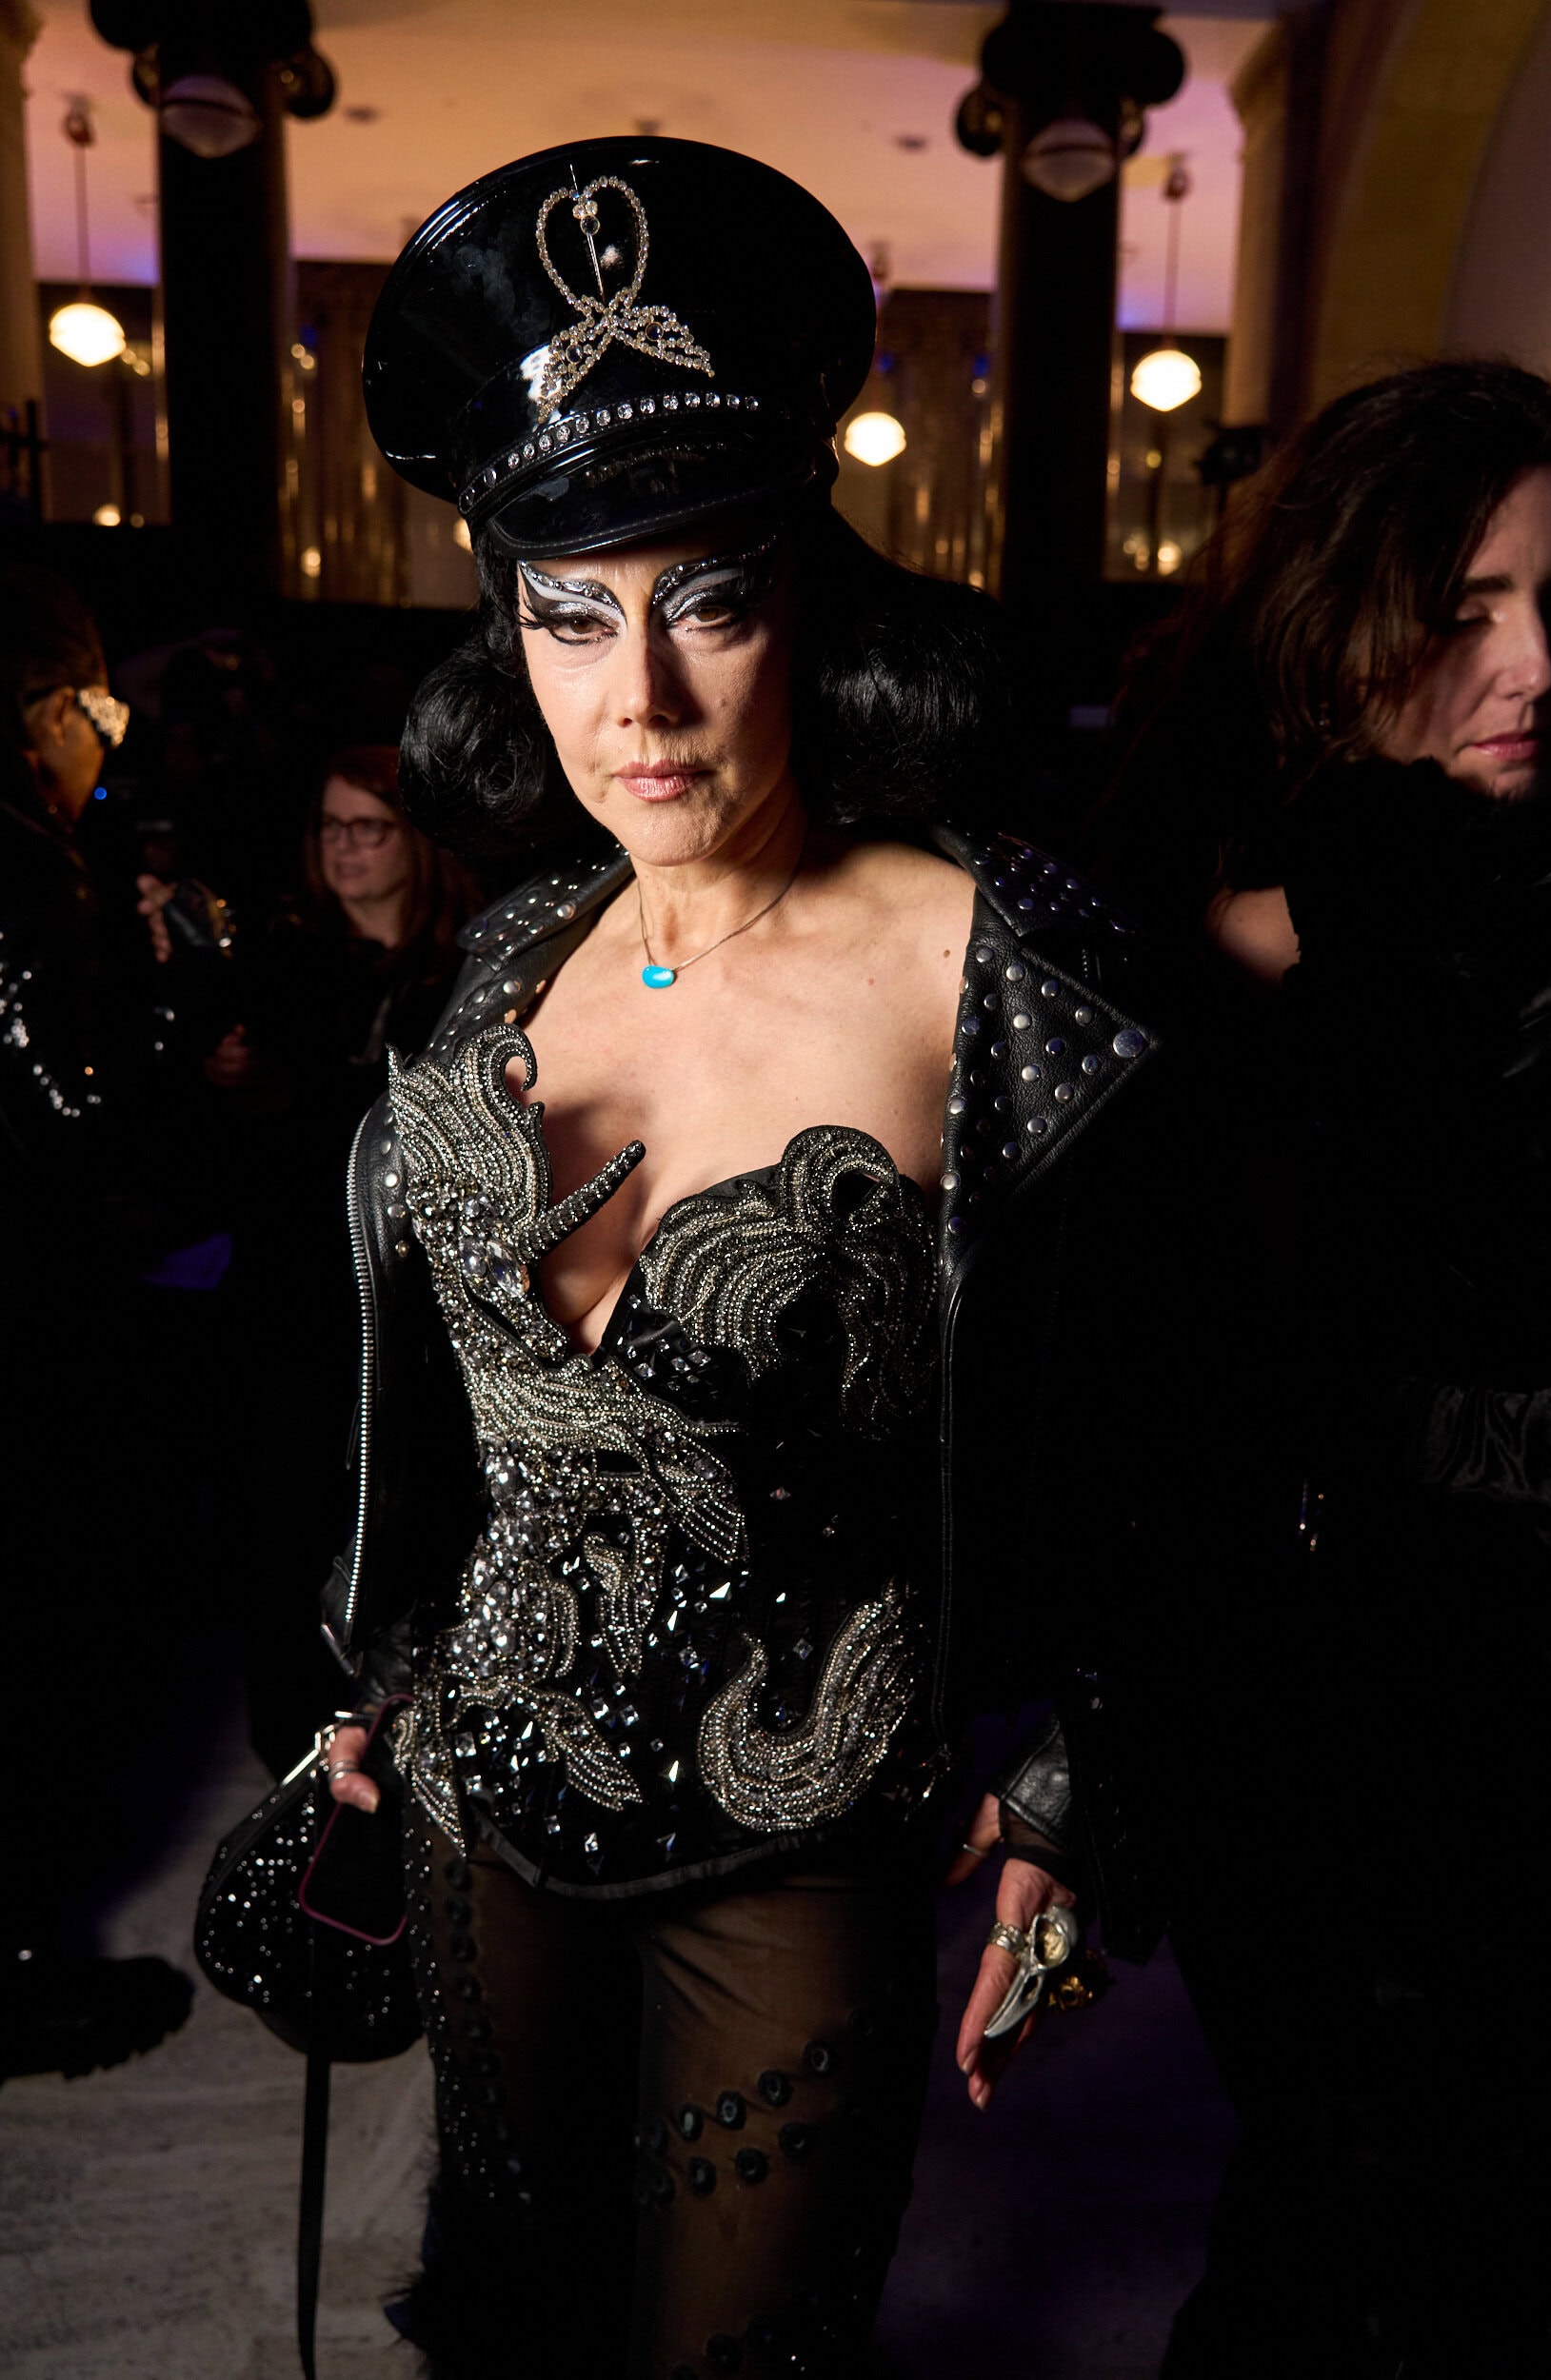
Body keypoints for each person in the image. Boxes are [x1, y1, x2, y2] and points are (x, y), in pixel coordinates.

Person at [310, 138, 1176, 2377]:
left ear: (810, 598)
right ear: (505, 621)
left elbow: (1156, 1399)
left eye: (704, 602)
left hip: (807, 1829)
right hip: (480, 1787)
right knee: (514, 2321)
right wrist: (371, 1670)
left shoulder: (992, 959)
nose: (642, 701)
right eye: (570, 614)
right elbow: (421, 1384)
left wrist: (1077, 1781)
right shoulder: (507, 953)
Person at [1095, 361, 1551, 2376]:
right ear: (1343, 617)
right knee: (1334, 2171)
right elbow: (1138, 1373)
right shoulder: (1188, 913)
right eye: (1465, 609)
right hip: (1280, 1695)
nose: (1530, 664)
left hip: (1529, 1693)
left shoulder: (1528, 912)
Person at [141, 746, 478, 1772]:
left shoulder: (467, 967)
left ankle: (408, 1747)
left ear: (414, 840)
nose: (344, 848)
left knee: (409, 1517)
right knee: (280, 1524)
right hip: (291, 1288)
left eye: (367, 827)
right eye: (330, 826)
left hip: (414, 1298)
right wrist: (220, 1059)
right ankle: (291, 1759)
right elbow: (214, 1118)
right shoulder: (288, 952)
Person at [0, 565, 192, 2077]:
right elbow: (70, 1116)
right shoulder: (23, 863)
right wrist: (174, 1004)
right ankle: (19, 1977)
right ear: (50, 712)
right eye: (103, 715)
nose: (108, 744)